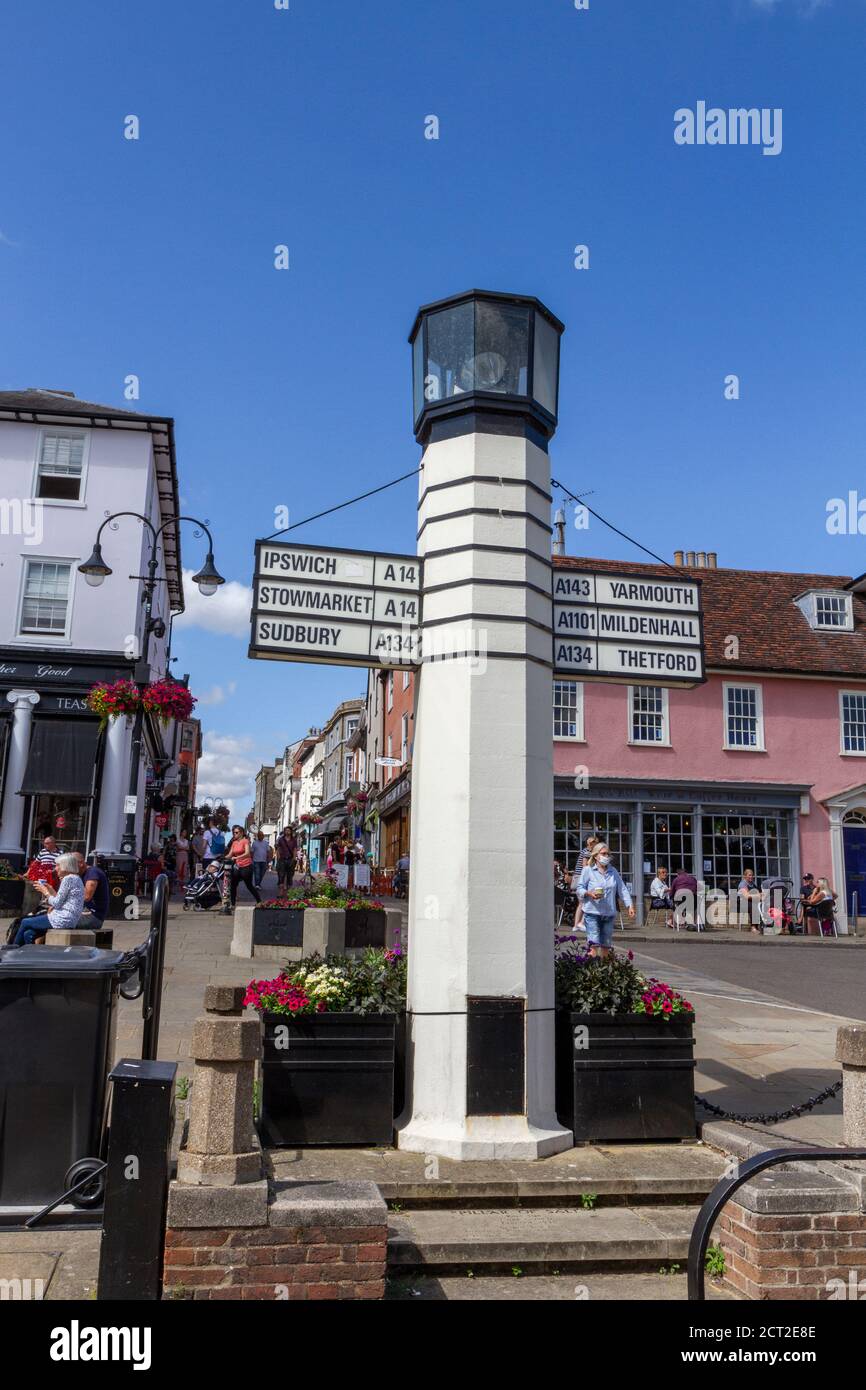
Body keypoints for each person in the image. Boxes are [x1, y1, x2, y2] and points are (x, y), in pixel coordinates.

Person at [575, 843, 634, 957]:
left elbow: (622, 889)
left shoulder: (613, 871)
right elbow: (579, 888)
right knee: (594, 945)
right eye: (603, 854)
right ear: (596, 856)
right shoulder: (588, 870)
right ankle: (592, 970)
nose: (606, 856)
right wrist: (588, 893)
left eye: (608, 854)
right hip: (592, 912)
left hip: (608, 913)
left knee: (606, 946)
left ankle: (604, 971)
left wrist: (629, 905)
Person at [14, 852, 85, 945]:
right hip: (68, 919)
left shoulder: (68, 879)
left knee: (24, 922)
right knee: (29, 933)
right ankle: (29, 954)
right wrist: (50, 889)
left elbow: (57, 903)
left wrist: (45, 892)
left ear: (65, 865)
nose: (55, 868)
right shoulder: (76, 878)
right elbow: (61, 900)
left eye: (58, 865)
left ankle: (12, 949)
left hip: (63, 919)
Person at [225, 825, 261, 910]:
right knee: (233, 885)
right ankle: (233, 904)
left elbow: (247, 853)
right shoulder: (234, 842)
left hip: (246, 866)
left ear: (241, 833)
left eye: (236, 832)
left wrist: (236, 858)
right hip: (237, 867)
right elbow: (230, 854)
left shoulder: (245, 841)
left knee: (249, 885)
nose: (235, 834)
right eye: (233, 832)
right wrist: (222, 857)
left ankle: (259, 901)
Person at [75, 852, 110, 928]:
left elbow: (86, 897)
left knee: (57, 922)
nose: (68, 867)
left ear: (81, 863)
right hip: (84, 913)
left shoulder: (92, 872)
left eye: (70, 864)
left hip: (93, 917)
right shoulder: (81, 875)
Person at [671, 866, 700, 931]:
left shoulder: (676, 879)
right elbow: (699, 889)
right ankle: (691, 924)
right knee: (691, 907)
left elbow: (672, 892)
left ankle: (678, 923)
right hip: (693, 902)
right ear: (686, 873)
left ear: (677, 874)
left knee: (676, 906)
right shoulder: (693, 879)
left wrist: (672, 898)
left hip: (681, 902)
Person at [737, 868, 761, 934]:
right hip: (742, 903)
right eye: (749, 875)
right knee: (754, 906)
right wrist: (758, 895)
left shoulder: (753, 884)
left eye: (752, 875)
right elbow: (747, 896)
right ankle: (753, 927)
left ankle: (759, 926)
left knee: (761, 906)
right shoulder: (743, 884)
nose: (751, 877)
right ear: (745, 876)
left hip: (752, 901)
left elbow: (759, 893)